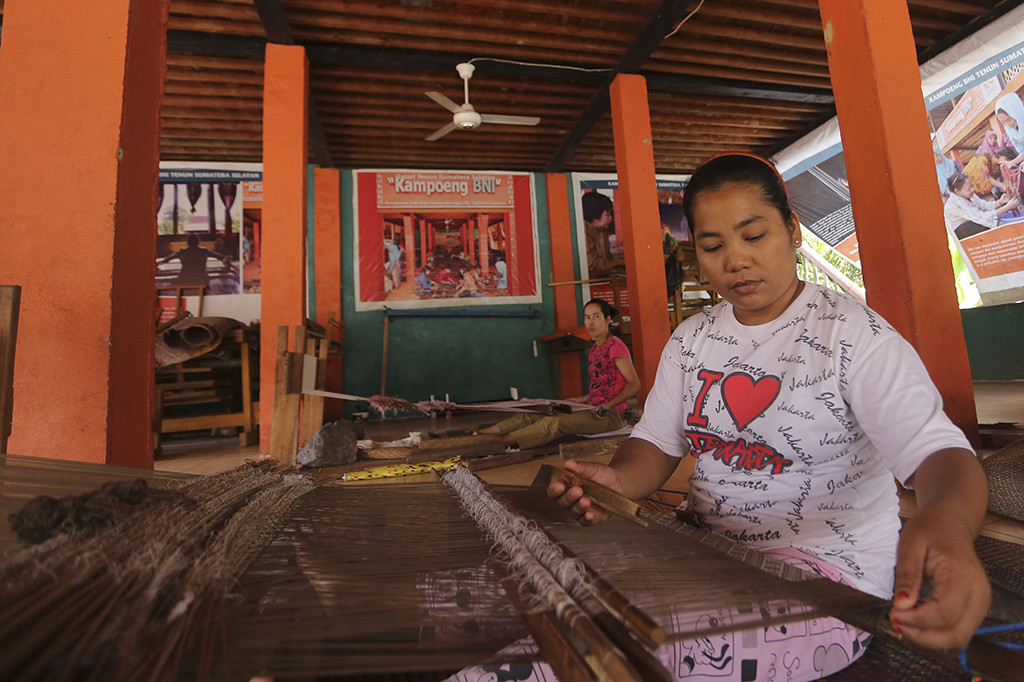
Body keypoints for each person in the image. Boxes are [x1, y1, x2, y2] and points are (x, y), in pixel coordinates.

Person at [546, 153, 991, 680]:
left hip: (828, 580)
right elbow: (657, 443)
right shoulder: (692, 341)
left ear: (792, 230)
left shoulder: (852, 336)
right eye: (713, 247)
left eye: (753, 236)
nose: (734, 260)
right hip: (710, 554)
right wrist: (617, 481)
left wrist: (946, 524)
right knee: (560, 619)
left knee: (622, 659)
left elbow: (939, 453)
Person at [476, 298, 640, 450]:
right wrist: (580, 399)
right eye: (587, 317)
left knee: (555, 423)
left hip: (609, 417)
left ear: (607, 320)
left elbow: (634, 385)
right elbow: (603, 386)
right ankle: (481, 434)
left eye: (596, 316)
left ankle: (497, 444)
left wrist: (608, 406)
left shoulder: (615, 346)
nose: (590, 322)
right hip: (591, 407)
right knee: (538, 411)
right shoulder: (596, 347)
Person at [943, 172, 1020, 239]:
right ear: (957, 191)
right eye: (969, 188)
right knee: (990, 223)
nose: (973, 189)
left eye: (972, 186)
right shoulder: (956, 203)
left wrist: (1000, 202)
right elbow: (982, 218)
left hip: (975, 221)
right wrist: (1007, 207)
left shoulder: (969, 194)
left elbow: (985, 206)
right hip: (962, 231)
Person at [157, 233, 233, 288]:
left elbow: (166, 259)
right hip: (202, 278)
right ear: (198, 241)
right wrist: (227, 260)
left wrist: (156, 263)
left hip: (185, 278)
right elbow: (221, 257)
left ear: (188, 242)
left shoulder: (182, 251)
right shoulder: (204, 250)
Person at [581, 190, 616, 273]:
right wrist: (617, 264)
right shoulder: (583, 232)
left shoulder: (602, 229)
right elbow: (592, 265)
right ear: (595, 217)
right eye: (607, 215)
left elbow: (607, 257)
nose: (611, 218)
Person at [995, 92, 1024, 165]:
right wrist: (1010, 163)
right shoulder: (1015, 132)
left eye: (1009, 120)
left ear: (1017, 112)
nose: (1008, 124)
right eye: (1003, 122)